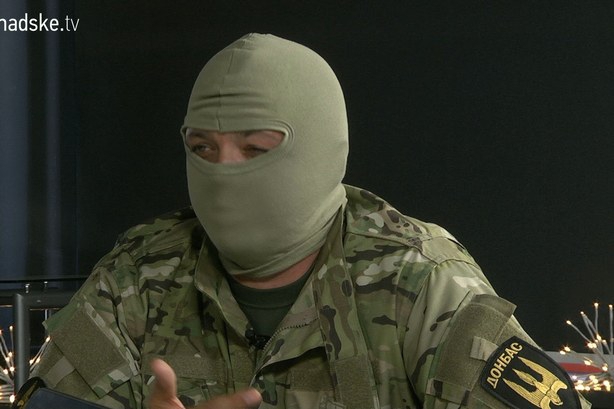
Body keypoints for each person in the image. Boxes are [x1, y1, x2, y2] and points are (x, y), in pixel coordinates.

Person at [30, 33, 590, 409]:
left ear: (322, 150)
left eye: (255, 149)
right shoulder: (136, 276)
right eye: (202, 148)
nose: (223, 172)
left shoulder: (420, 283)